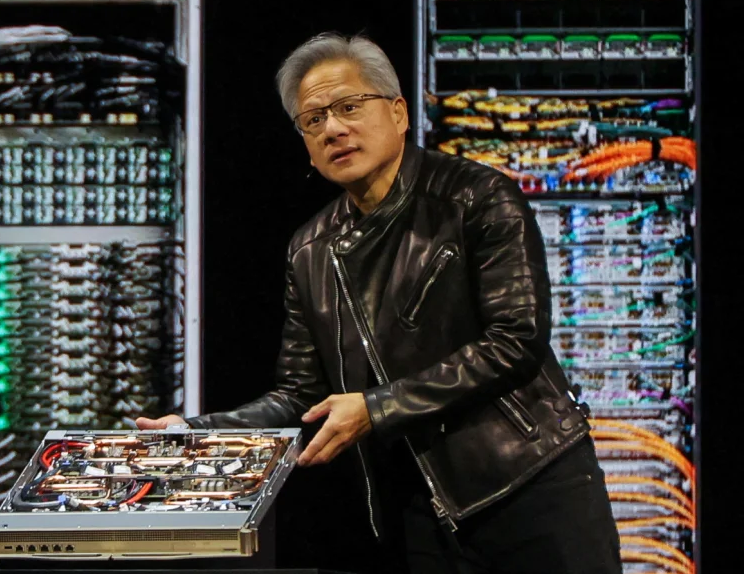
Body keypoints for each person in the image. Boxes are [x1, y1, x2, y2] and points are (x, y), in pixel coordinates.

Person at [135, 32, 622, 574]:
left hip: (533, 484)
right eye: (312, 120)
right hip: (419, 511)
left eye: (347, 107)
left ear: (398, 113)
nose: (332, 129)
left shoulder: (476, 197)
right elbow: (300, 395)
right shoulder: (309, 249)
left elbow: (516, 340)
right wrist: (199, 434)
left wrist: (376, 409)